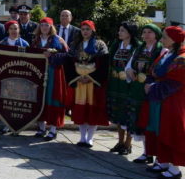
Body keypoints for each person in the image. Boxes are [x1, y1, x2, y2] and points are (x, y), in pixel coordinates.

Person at [144, 26, 185, 179]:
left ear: (174, 40)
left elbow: (175, 82)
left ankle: (175, 169)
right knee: (158, 129)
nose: (161, 39)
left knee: (171, 131)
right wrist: (149, 83)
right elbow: (153, 70)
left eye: (165, 37)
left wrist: (152, 87)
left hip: (173, 100)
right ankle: (163, 161)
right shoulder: (167, 53)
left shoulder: (182, 58)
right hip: (160, 99)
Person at [66, 20, 109, 148]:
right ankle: (82, 137)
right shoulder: (75, 44)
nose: (85, 32)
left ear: (93, 30)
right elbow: (69, 62)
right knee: (80, 110)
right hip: (79, 82)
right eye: (83, 29)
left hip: (93, 83)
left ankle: (90, 138)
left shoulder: (100, 44)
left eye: (88, 29)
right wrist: (77, 77)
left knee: (92, 110)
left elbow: (104, 64)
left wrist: (91, 78)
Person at [31, 17, 70, 141]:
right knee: (40, 98)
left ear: (51, 27)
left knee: (52, 98)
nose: (44, 28)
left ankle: (53, 130)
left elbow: (67, 55)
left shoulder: (58, 39)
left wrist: (52, 55)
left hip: (54, 72)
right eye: (42, 25)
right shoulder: (35, 40)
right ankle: (41, 128)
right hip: (38, 72)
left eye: (47, 25)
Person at [129, 24, 164, 165]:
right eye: (144, 32)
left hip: (152, 90)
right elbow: (130, 65)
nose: (147, 34)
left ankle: (158, 156)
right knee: (142, 119)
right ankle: (146, 152)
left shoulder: (161, 50)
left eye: (150, 32)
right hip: (138, 88)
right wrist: (129, 70)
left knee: (152, 121)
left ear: (156, 34)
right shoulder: (139, 48)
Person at [107, 22, 140, 155]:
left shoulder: (136, 47)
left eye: (122, 31)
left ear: (130, 33)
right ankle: (120, 142)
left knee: (128, 114)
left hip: (128, 85)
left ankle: (128, 144)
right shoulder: (116, 45)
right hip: (115, 84)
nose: (119, 33)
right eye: (119, 30)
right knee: (118, 113)